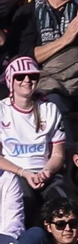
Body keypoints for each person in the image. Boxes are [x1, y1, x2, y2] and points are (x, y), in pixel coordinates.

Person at [0, 57, 65, 225]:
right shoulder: (2, 110)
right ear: (10, 80)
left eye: (32, 76)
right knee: (24, 201)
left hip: (45, 173)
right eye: (20, 76)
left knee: (62, 205)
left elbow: (58, 154)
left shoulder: (50, 109)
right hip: (14, 174)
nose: (27, 80)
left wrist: (47, 170)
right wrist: (23, 172)